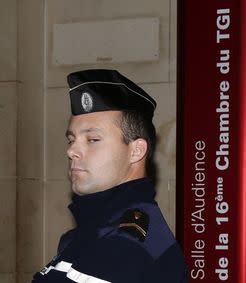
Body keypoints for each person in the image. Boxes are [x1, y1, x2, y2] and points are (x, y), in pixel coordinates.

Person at [32, 69, 188, 283]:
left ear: (136, 151)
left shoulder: (129, 248)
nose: (71, 151)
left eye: (92, 140)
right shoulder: (87, 233)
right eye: (71, 140)